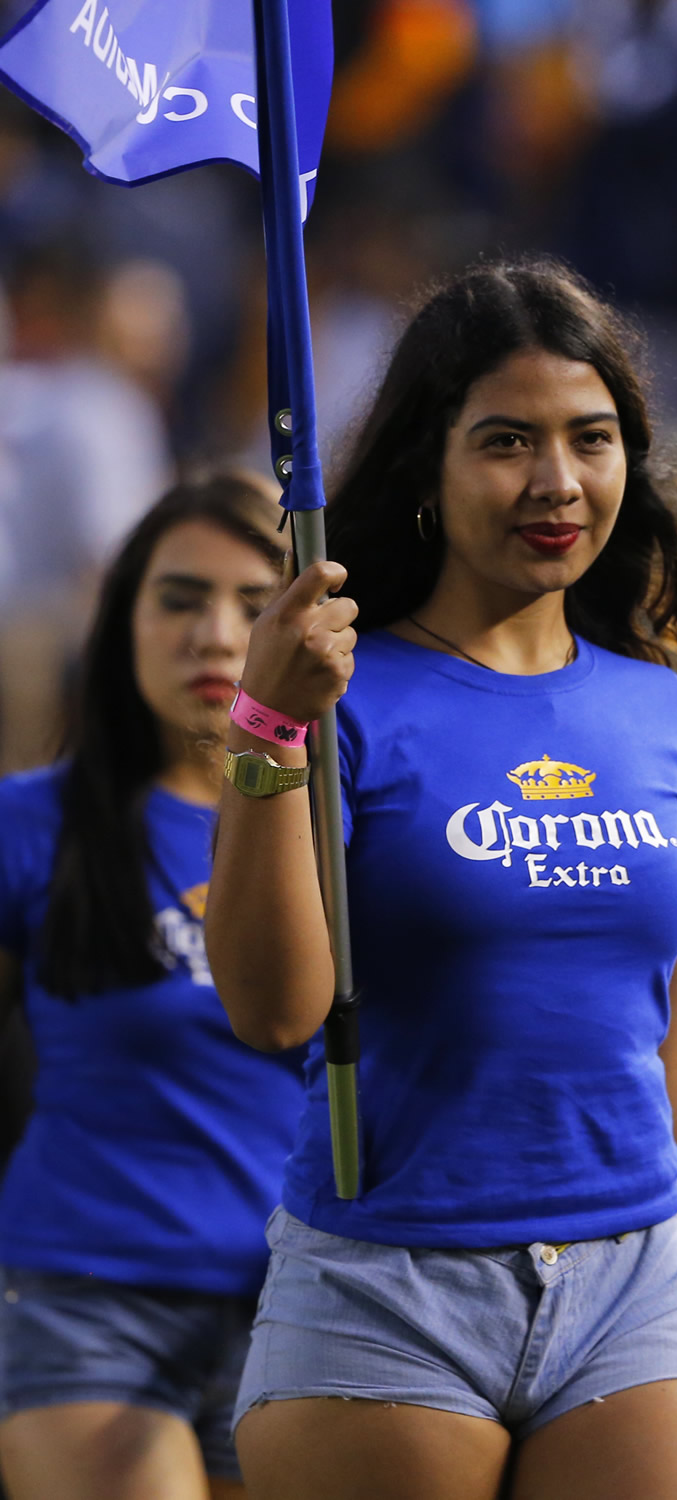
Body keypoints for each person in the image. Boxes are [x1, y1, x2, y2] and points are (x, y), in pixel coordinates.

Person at [205, 259, 677, 1500]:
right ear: (427, 471)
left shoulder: (656, 706)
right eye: (506, 441)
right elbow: (273, 1009)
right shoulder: (340, 699)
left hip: (635, 1283)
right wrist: (266, 732)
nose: (557, 483)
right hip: (387, 1291)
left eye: (590, 440)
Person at [0, 474, 307, 1500]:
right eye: (179, 598)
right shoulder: (32, 823)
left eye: (257, 603)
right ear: (122, 619)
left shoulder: (358, 834)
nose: (216, 635)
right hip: (87, 1300)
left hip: (314, 1311)